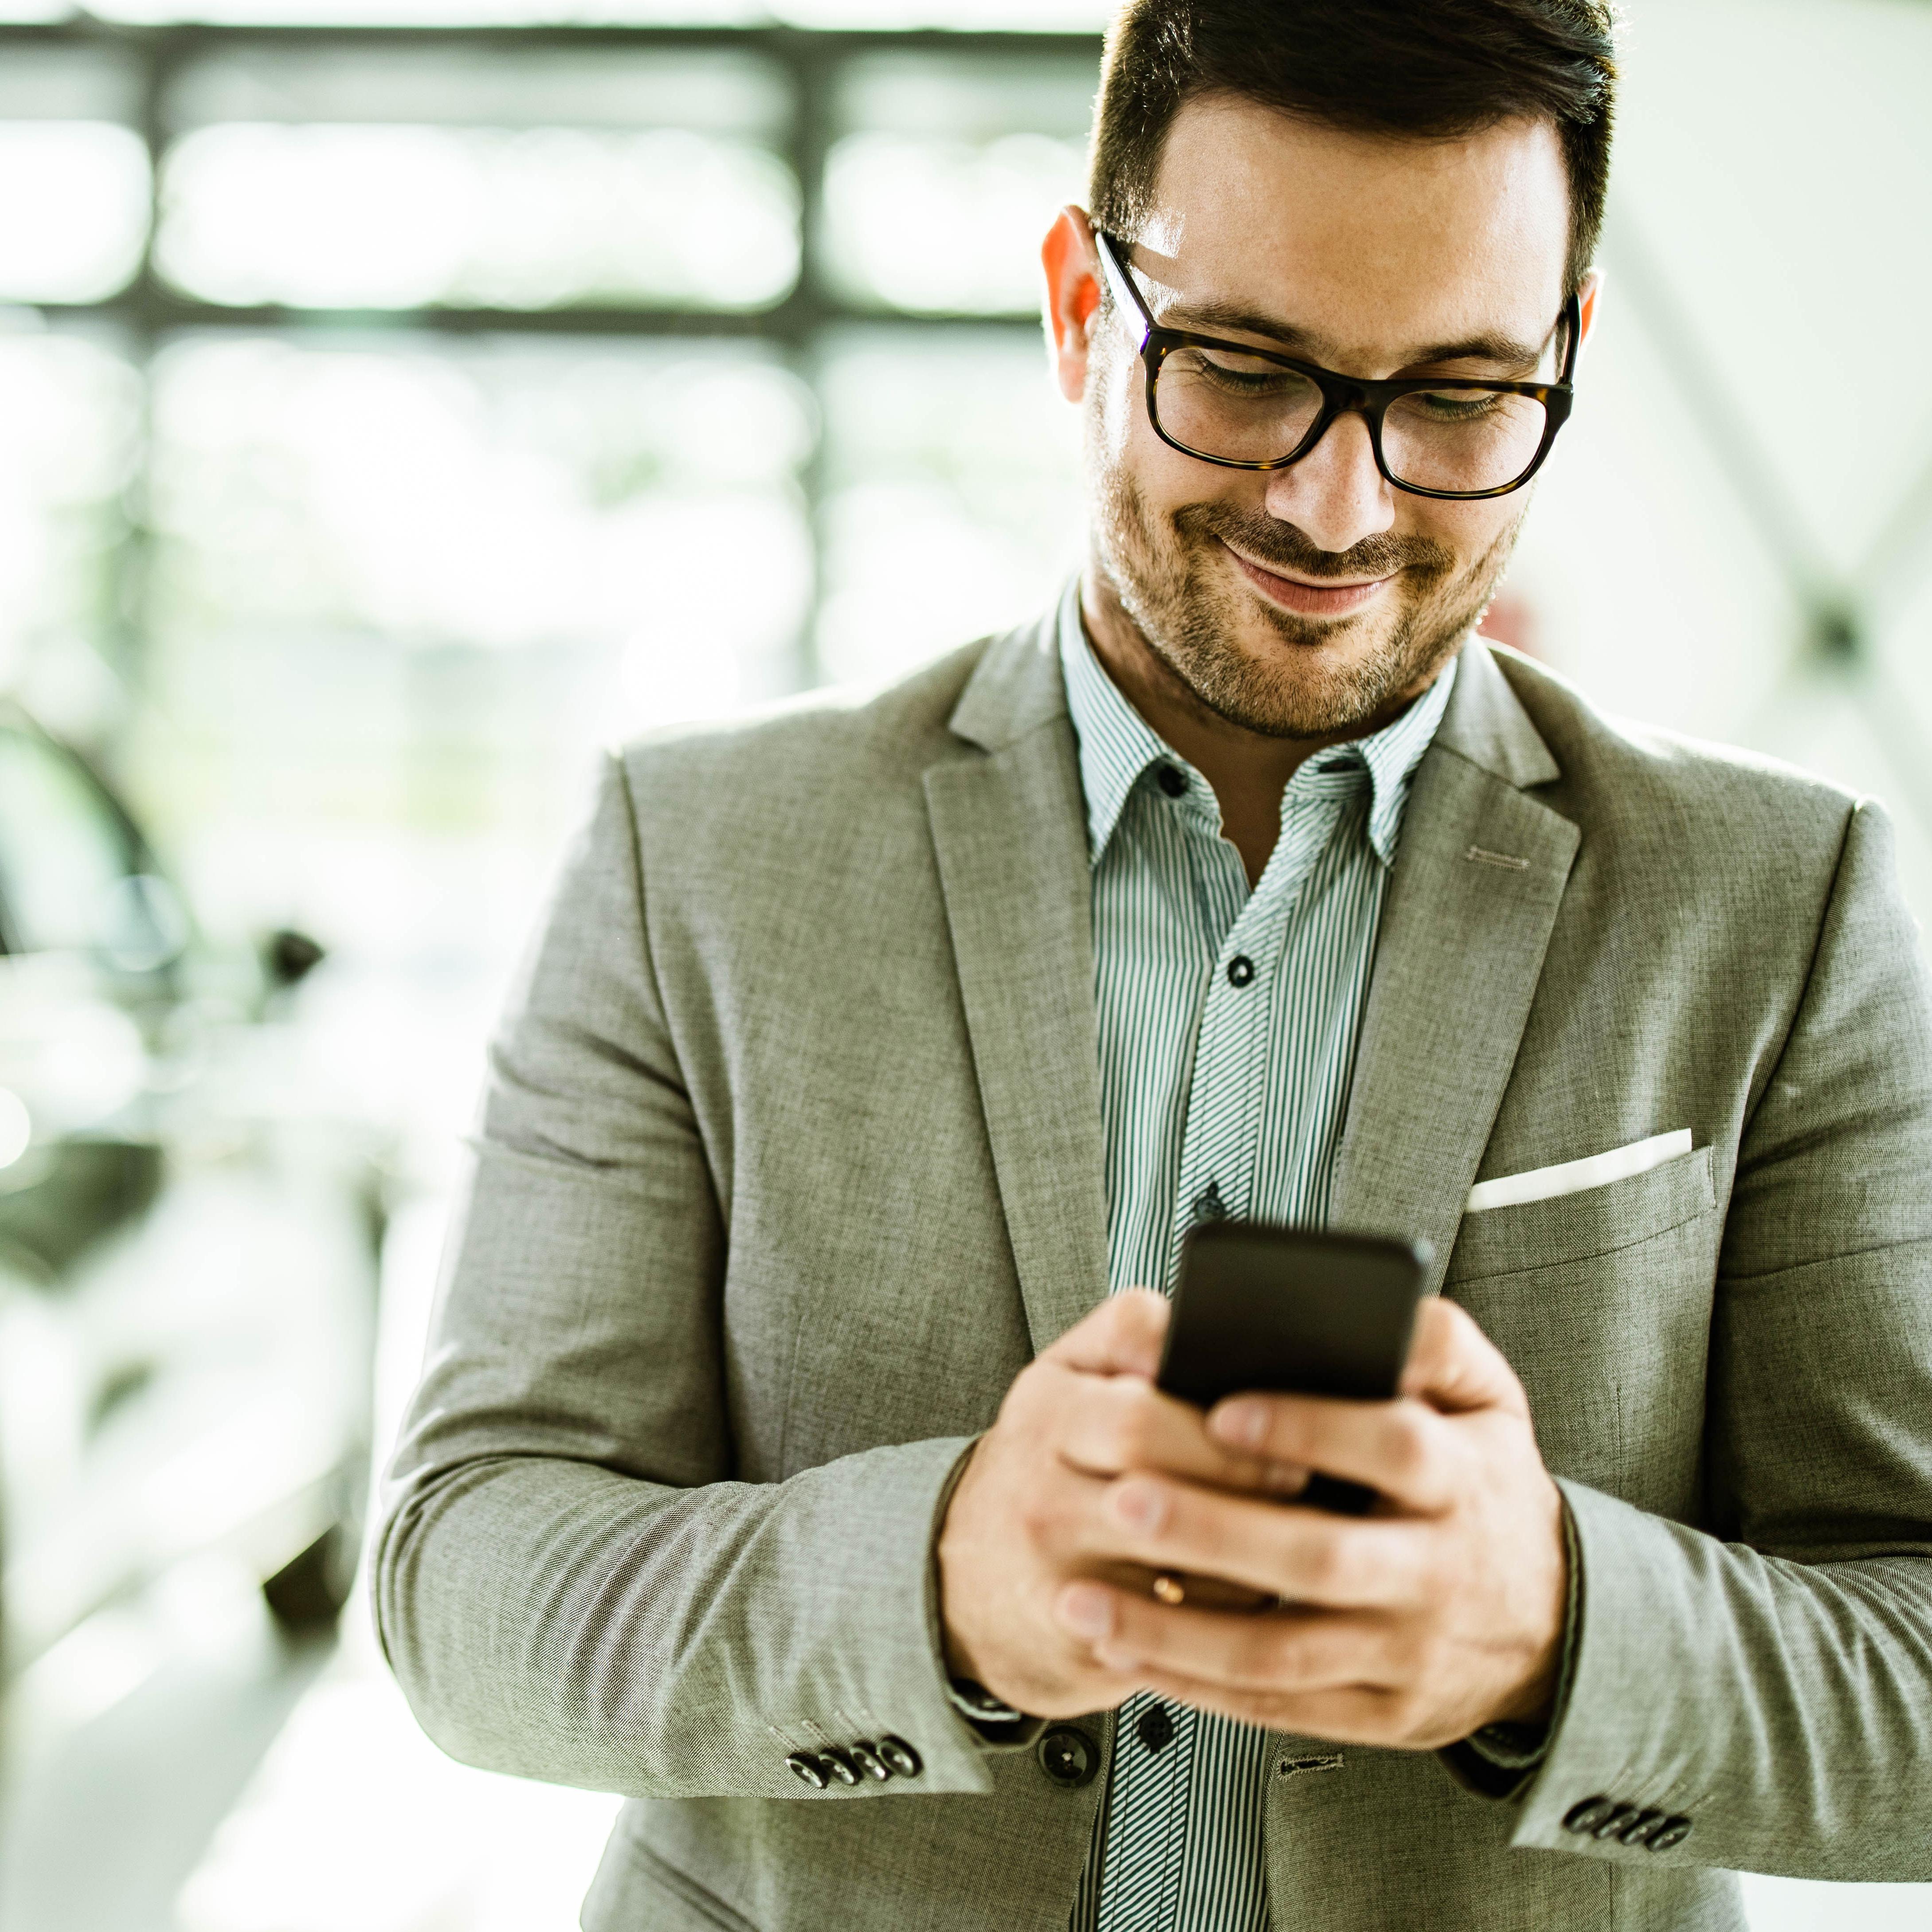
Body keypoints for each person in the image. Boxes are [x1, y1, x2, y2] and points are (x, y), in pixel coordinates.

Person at [373, 3, 1932, 1927]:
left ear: (1567, 357)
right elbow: (465, 1577)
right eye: (1245, 368)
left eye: (1455, 397)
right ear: (1074, 307)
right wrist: (941, 1580)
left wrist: (1558, 1628)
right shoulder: (690, 853)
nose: (1335, 508)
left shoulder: (1779, 901)